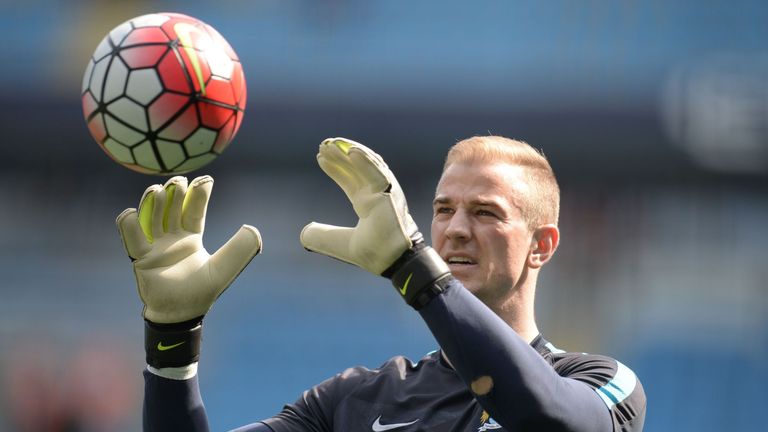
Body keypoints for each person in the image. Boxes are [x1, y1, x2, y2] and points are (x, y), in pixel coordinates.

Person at [116, 136, 646, 431]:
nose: (456, 228)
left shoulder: (605, 383)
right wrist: (172, 342)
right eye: (443, 210)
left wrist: (414, 266)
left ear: (542, 245)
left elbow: (550, 422)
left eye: (486, 212)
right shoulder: (352, 401)